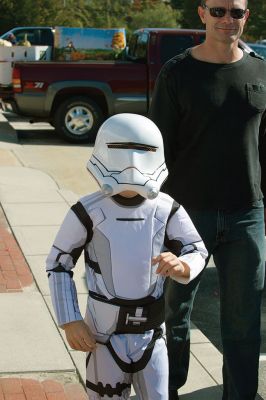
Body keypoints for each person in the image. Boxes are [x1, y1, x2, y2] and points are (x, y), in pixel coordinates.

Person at [149, 0, 266, 399]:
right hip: (185, 213)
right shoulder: (177, 73)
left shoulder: (260, 71)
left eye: (236, 12)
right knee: (174, 313)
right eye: (218, 11)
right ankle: (168, 391)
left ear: (247, 16)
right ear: (201, 14)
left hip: (246, 214)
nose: (227, 19)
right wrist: (157, 214)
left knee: (243, 320)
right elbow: (158, 151)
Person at [46, 113, 208, 400]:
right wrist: (69, 319)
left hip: (151, 333)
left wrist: (182, 265)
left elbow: (196, 248)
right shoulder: (88, 211)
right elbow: (59, 264)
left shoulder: (166, 208)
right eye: (123, 151)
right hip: (102, 335)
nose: (132, 162)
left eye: (142, 151)